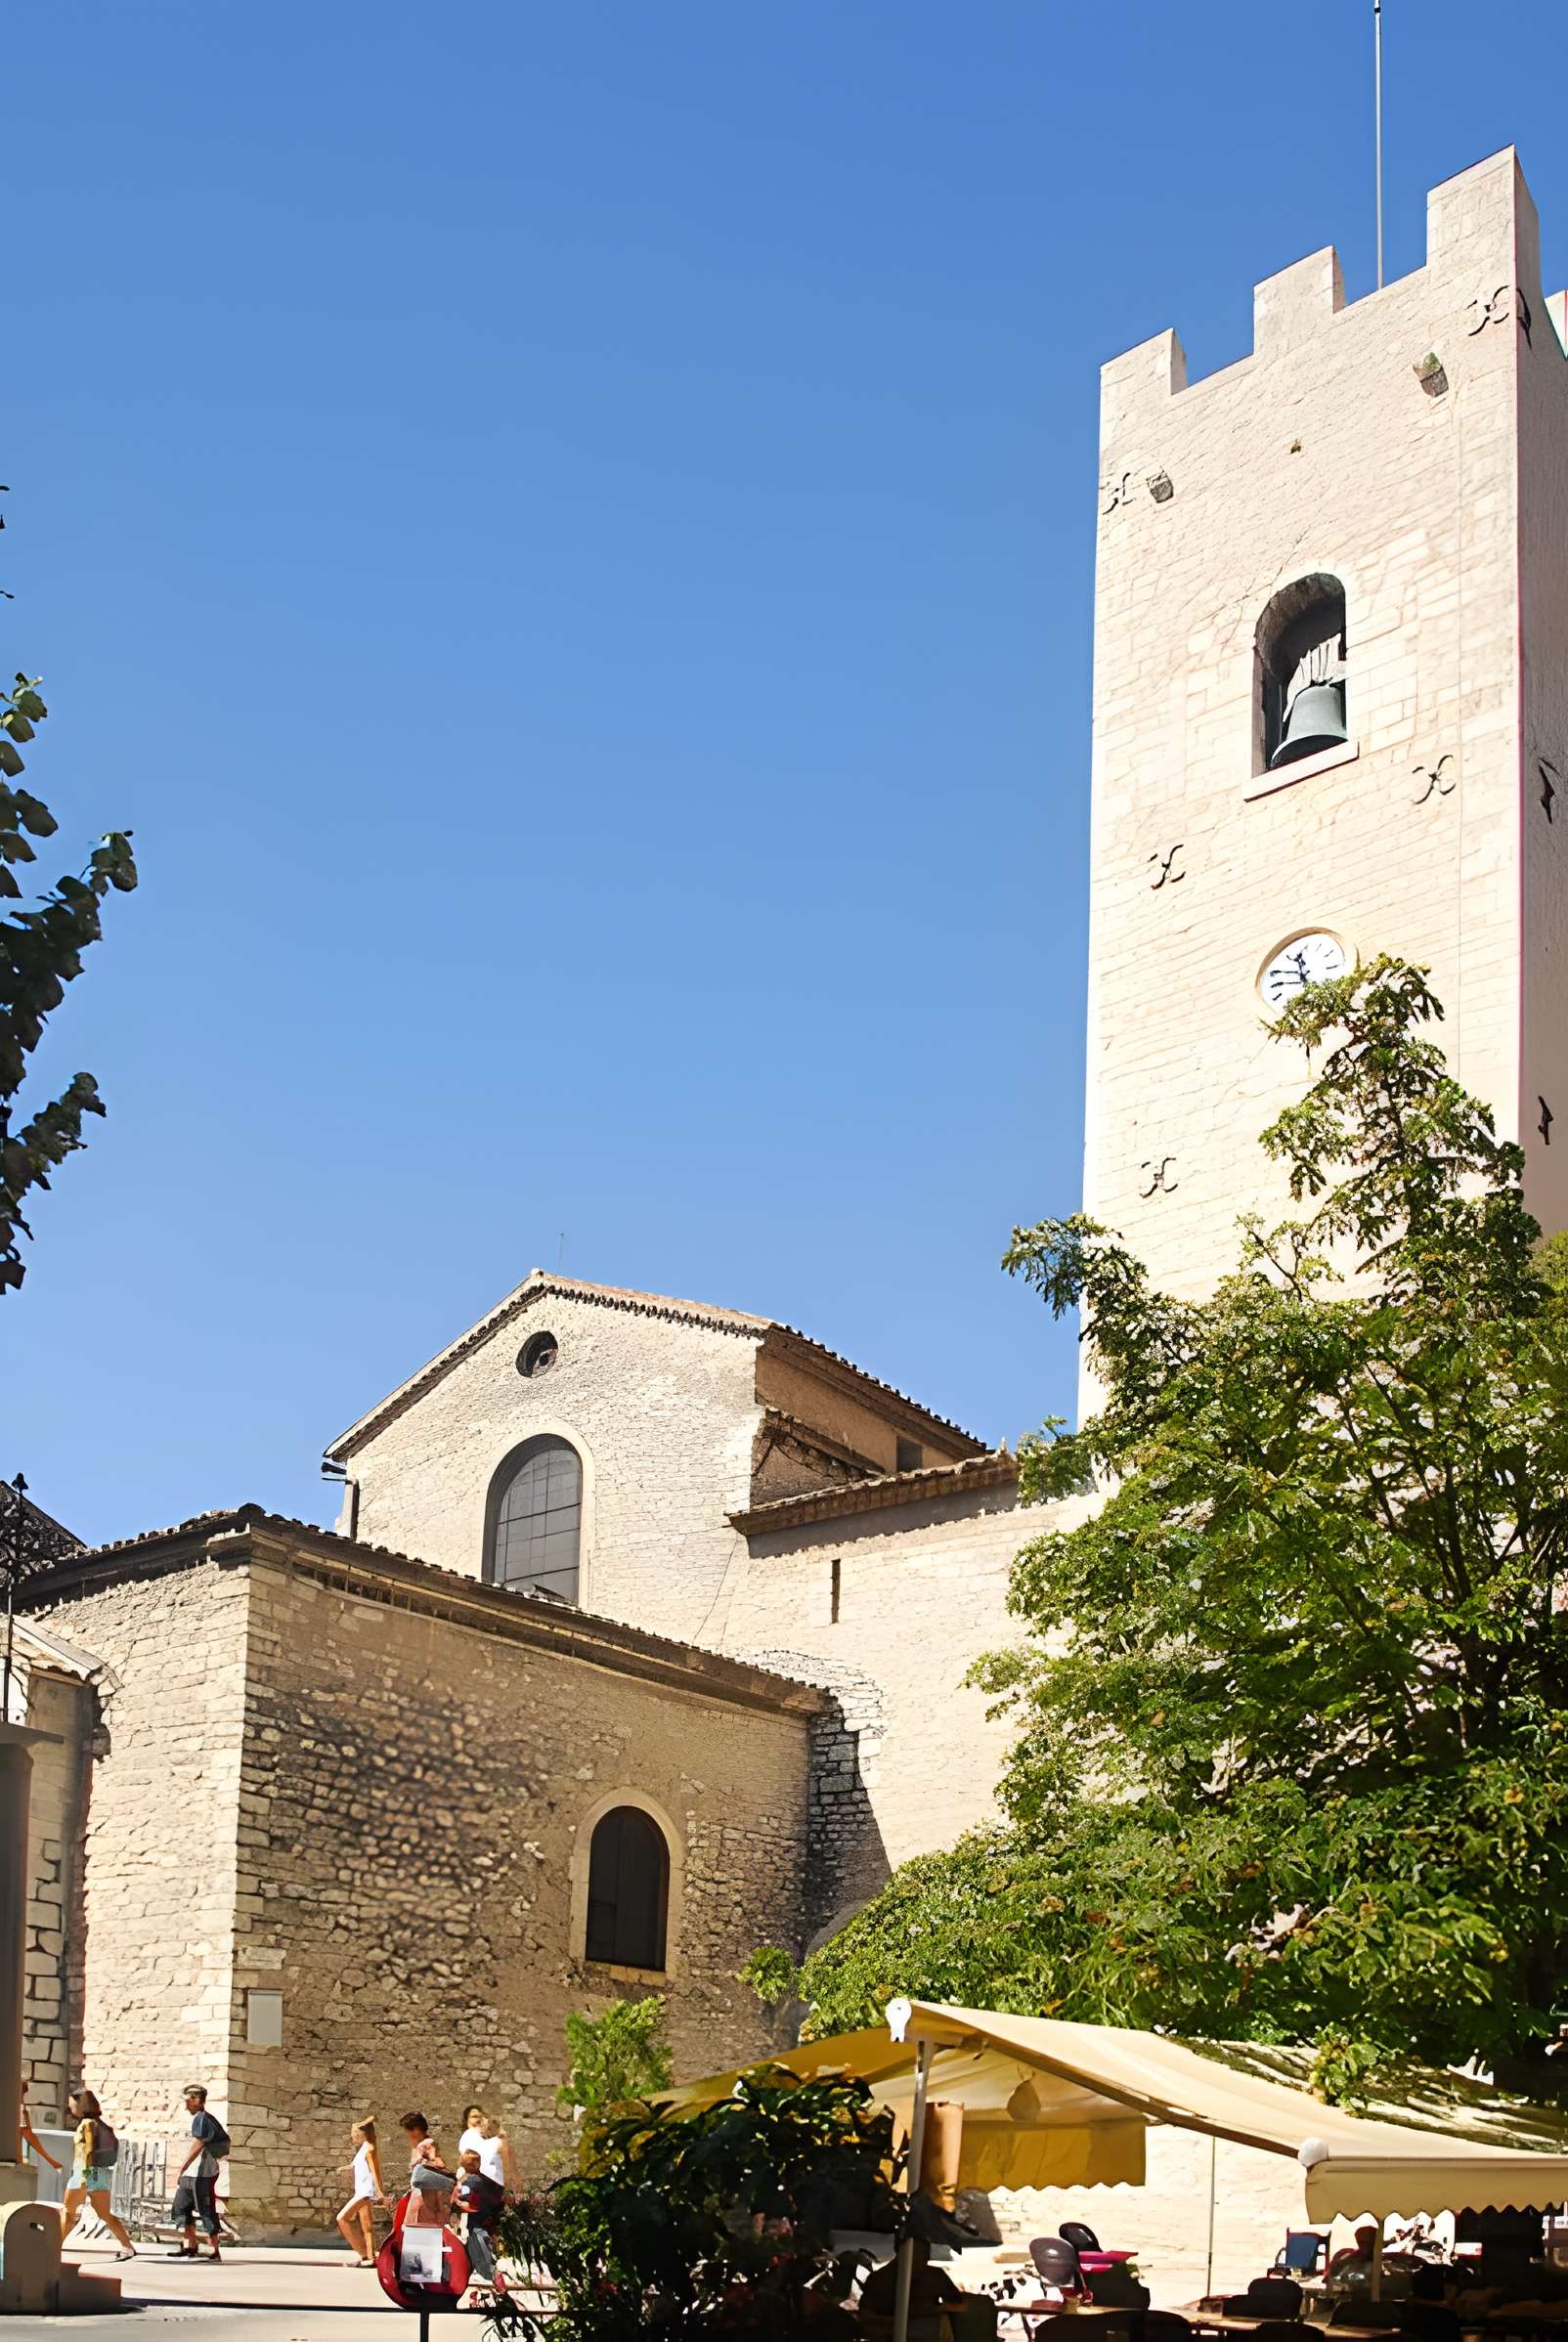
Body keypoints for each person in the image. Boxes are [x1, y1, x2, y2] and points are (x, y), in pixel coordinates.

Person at [858, 2237, 997, 2339]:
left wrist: (938, 2310)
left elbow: (958, 2304)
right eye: (916, 2255)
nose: (919, 2261)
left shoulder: (934, 2276)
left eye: (923, 2256)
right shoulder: (879, 2280)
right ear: (901, 2253)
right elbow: (865, 2316)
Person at [61, 2089, 136, 2261]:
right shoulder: (98, 2123)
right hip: (99, 2174)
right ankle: (127, 2246)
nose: (70, 2106)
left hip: (84, 2173)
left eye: (72, 2103)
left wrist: (84, 2175)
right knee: (104, 2214)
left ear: (81, 2104)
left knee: (68, 2212)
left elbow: (88, 2150)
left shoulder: (86, 2124)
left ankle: (53, 2247)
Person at [169, 2084, 229, 2263]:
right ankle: (189, 2245)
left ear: (197, 2101)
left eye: (188, 2100)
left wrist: (182, 2167)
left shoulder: (203, 2119)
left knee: (206, 2209)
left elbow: (198, 2145)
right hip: (191, 2174)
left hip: (202, 2173)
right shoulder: (196, 2118)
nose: (185, 2104)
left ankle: (215, 2251)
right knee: (181, 2207)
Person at [334, 2116, 389, 2266]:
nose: (353, 2136)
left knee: (342, 2218)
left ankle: (363, 2253)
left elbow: (375, 2171)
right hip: (362, 2191)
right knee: (366, 2226)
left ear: (362, 2133)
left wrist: (379, 2192)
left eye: (354, 2133)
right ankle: (369, 2258)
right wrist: (341, 2169)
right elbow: (353, 2166)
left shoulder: (370, 2148)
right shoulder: (363, 2149)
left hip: (366, 2192)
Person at [451, 2148, 505, 2290]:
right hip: (481, 2220)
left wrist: (458, 2203)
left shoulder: (469, 2181)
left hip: (474, 2221)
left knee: (478, 2247)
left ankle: (488, 2276)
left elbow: (469, 2203)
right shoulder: (478, 2180)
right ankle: (489, 2276)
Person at [400, 2111, 455, 2227]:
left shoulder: (427, 2144)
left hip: (425, 2194)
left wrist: (431, 2157)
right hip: (424, 2192)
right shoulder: (421, 2145)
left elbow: (439, 2163)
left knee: (421, 2225)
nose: (408, 2134)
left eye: (409, 2130)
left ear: (416, 2129)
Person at [457, 2102, 516, 2193]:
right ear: (467, 2121)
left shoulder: (484, 2139)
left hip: (492, 2187)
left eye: (481, 2116)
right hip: (479, 2188)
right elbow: (486, 2155)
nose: (479, 2119)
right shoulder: (469, 2135)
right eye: (474, 2116)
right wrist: (501, 2136)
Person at [21, 2082, 64, 2179]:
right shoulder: (19, 2110)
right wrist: (50, 2160)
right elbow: (30, 2136)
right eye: (22, 2094)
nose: (23, 2099)